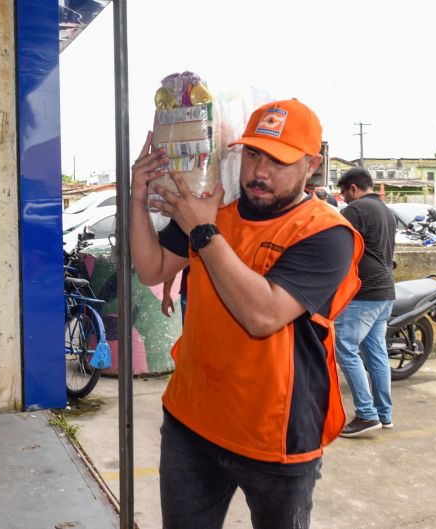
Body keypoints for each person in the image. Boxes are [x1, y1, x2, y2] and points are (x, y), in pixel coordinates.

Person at [130, 99, 363, 529]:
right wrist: (138, 196)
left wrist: (203, 231)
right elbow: (151, 267)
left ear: (312, 165)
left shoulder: (327, 234)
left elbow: (262, 315)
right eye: (253, 154)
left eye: (278, 160)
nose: (260, 172)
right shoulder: (213, 210)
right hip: (191, 422)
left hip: (275, 438)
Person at [335, 167, 397, 437]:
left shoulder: (355, 210)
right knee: (376, 353)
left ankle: (366, 414)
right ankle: (384, 414)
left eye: (345, 194)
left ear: (353, 189)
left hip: (364, 293)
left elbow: (336, 248)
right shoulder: (387, 212)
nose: (345, 199)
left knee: (345, 349)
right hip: (385, 292)